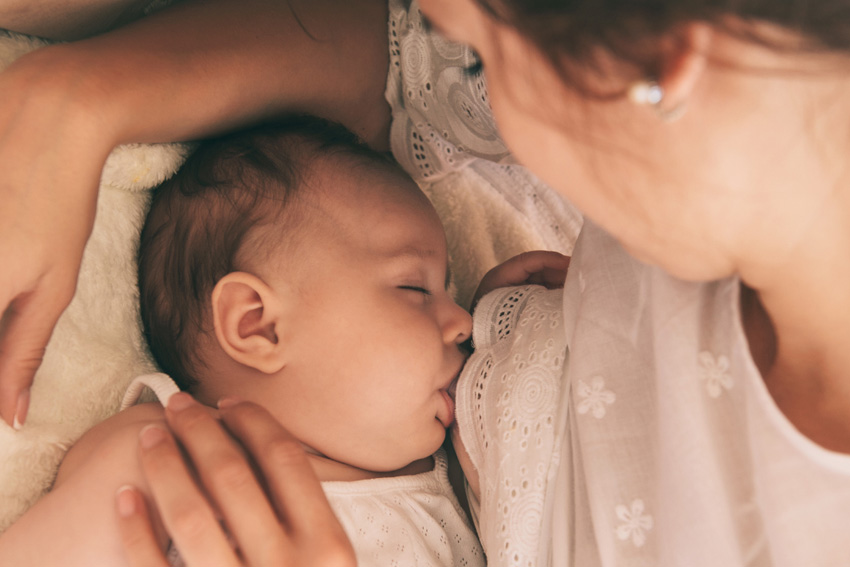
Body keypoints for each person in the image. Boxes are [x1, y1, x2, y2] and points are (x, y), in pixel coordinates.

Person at [3, 0, 850, 565]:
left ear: (662, 74)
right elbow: (403, 67)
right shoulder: (158, 460)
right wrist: (544, 338)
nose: (480, 97)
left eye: (486, 57)